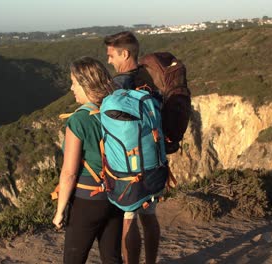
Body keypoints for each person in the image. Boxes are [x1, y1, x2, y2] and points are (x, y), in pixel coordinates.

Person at [52, 57, 123, 264]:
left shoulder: (79, 120)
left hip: (87, 200)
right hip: (117, 194)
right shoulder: (117, 110)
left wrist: (59, 211)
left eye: (74, 82)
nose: (71, 87)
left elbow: (69, 173)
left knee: (74, 258)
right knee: (112, 257)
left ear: (85, 84)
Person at [104, 31, 161, 264]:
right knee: (149, 215)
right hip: (154, 163)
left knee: (129, 218)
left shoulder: (120, 85)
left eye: (111, 55)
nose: (109, 61)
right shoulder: (150, 78)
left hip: (129, 169)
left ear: (125, 53)